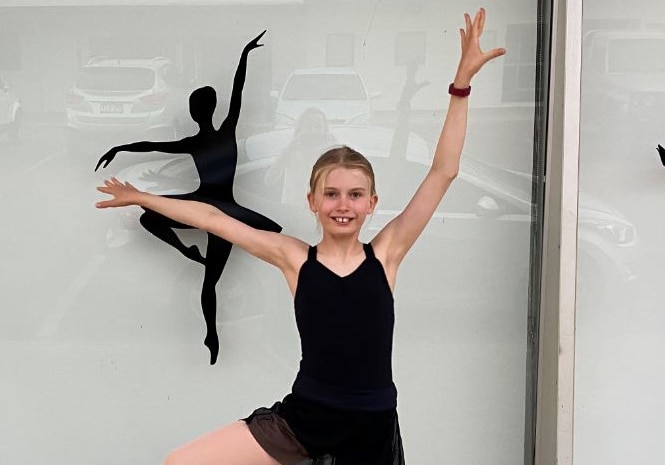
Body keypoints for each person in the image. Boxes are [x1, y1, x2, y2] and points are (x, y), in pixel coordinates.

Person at [96, 9, 505, 465]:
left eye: (355, 195)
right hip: (304, 419)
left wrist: (461, 86)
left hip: (371, 428)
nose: (343, 205)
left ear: (372, 202)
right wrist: (141, 196)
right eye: (331, 194)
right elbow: (213, 218)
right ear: (312, 201)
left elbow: (443, 171)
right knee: (180, 462)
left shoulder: (388, 252)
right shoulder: (293, 257)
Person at [94, 31, 282, 365]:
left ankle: (194, 272)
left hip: (206, 207)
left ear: (195, 114)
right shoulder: (226, 131)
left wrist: (118, 148)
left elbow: (149, 147)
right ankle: (211, 328)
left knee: (152, 218)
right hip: (217, 208)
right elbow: (237, 93)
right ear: (210, 110)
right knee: (210, 276)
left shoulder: (194, 142)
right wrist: (245, 55)